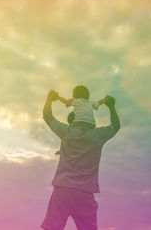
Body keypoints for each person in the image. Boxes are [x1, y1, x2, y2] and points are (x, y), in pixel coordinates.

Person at [41, 89, 120, 230]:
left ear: (75, 119)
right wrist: (111, 106)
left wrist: (49, 99)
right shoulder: (98, 136)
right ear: (92, 121)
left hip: (62, 190)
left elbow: (48, 116)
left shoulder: (67, 133)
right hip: (85, 193)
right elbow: (115, 126)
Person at [55, 85, 107, 155]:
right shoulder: (91, 102)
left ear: (75, 94)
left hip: (78, 124)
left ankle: (64, 150)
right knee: (86, 140)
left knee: (72, 138)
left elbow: (65, 101)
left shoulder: (75, 101)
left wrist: (57, 97)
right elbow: (99, 102)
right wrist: (105, 99)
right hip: (91, 125)